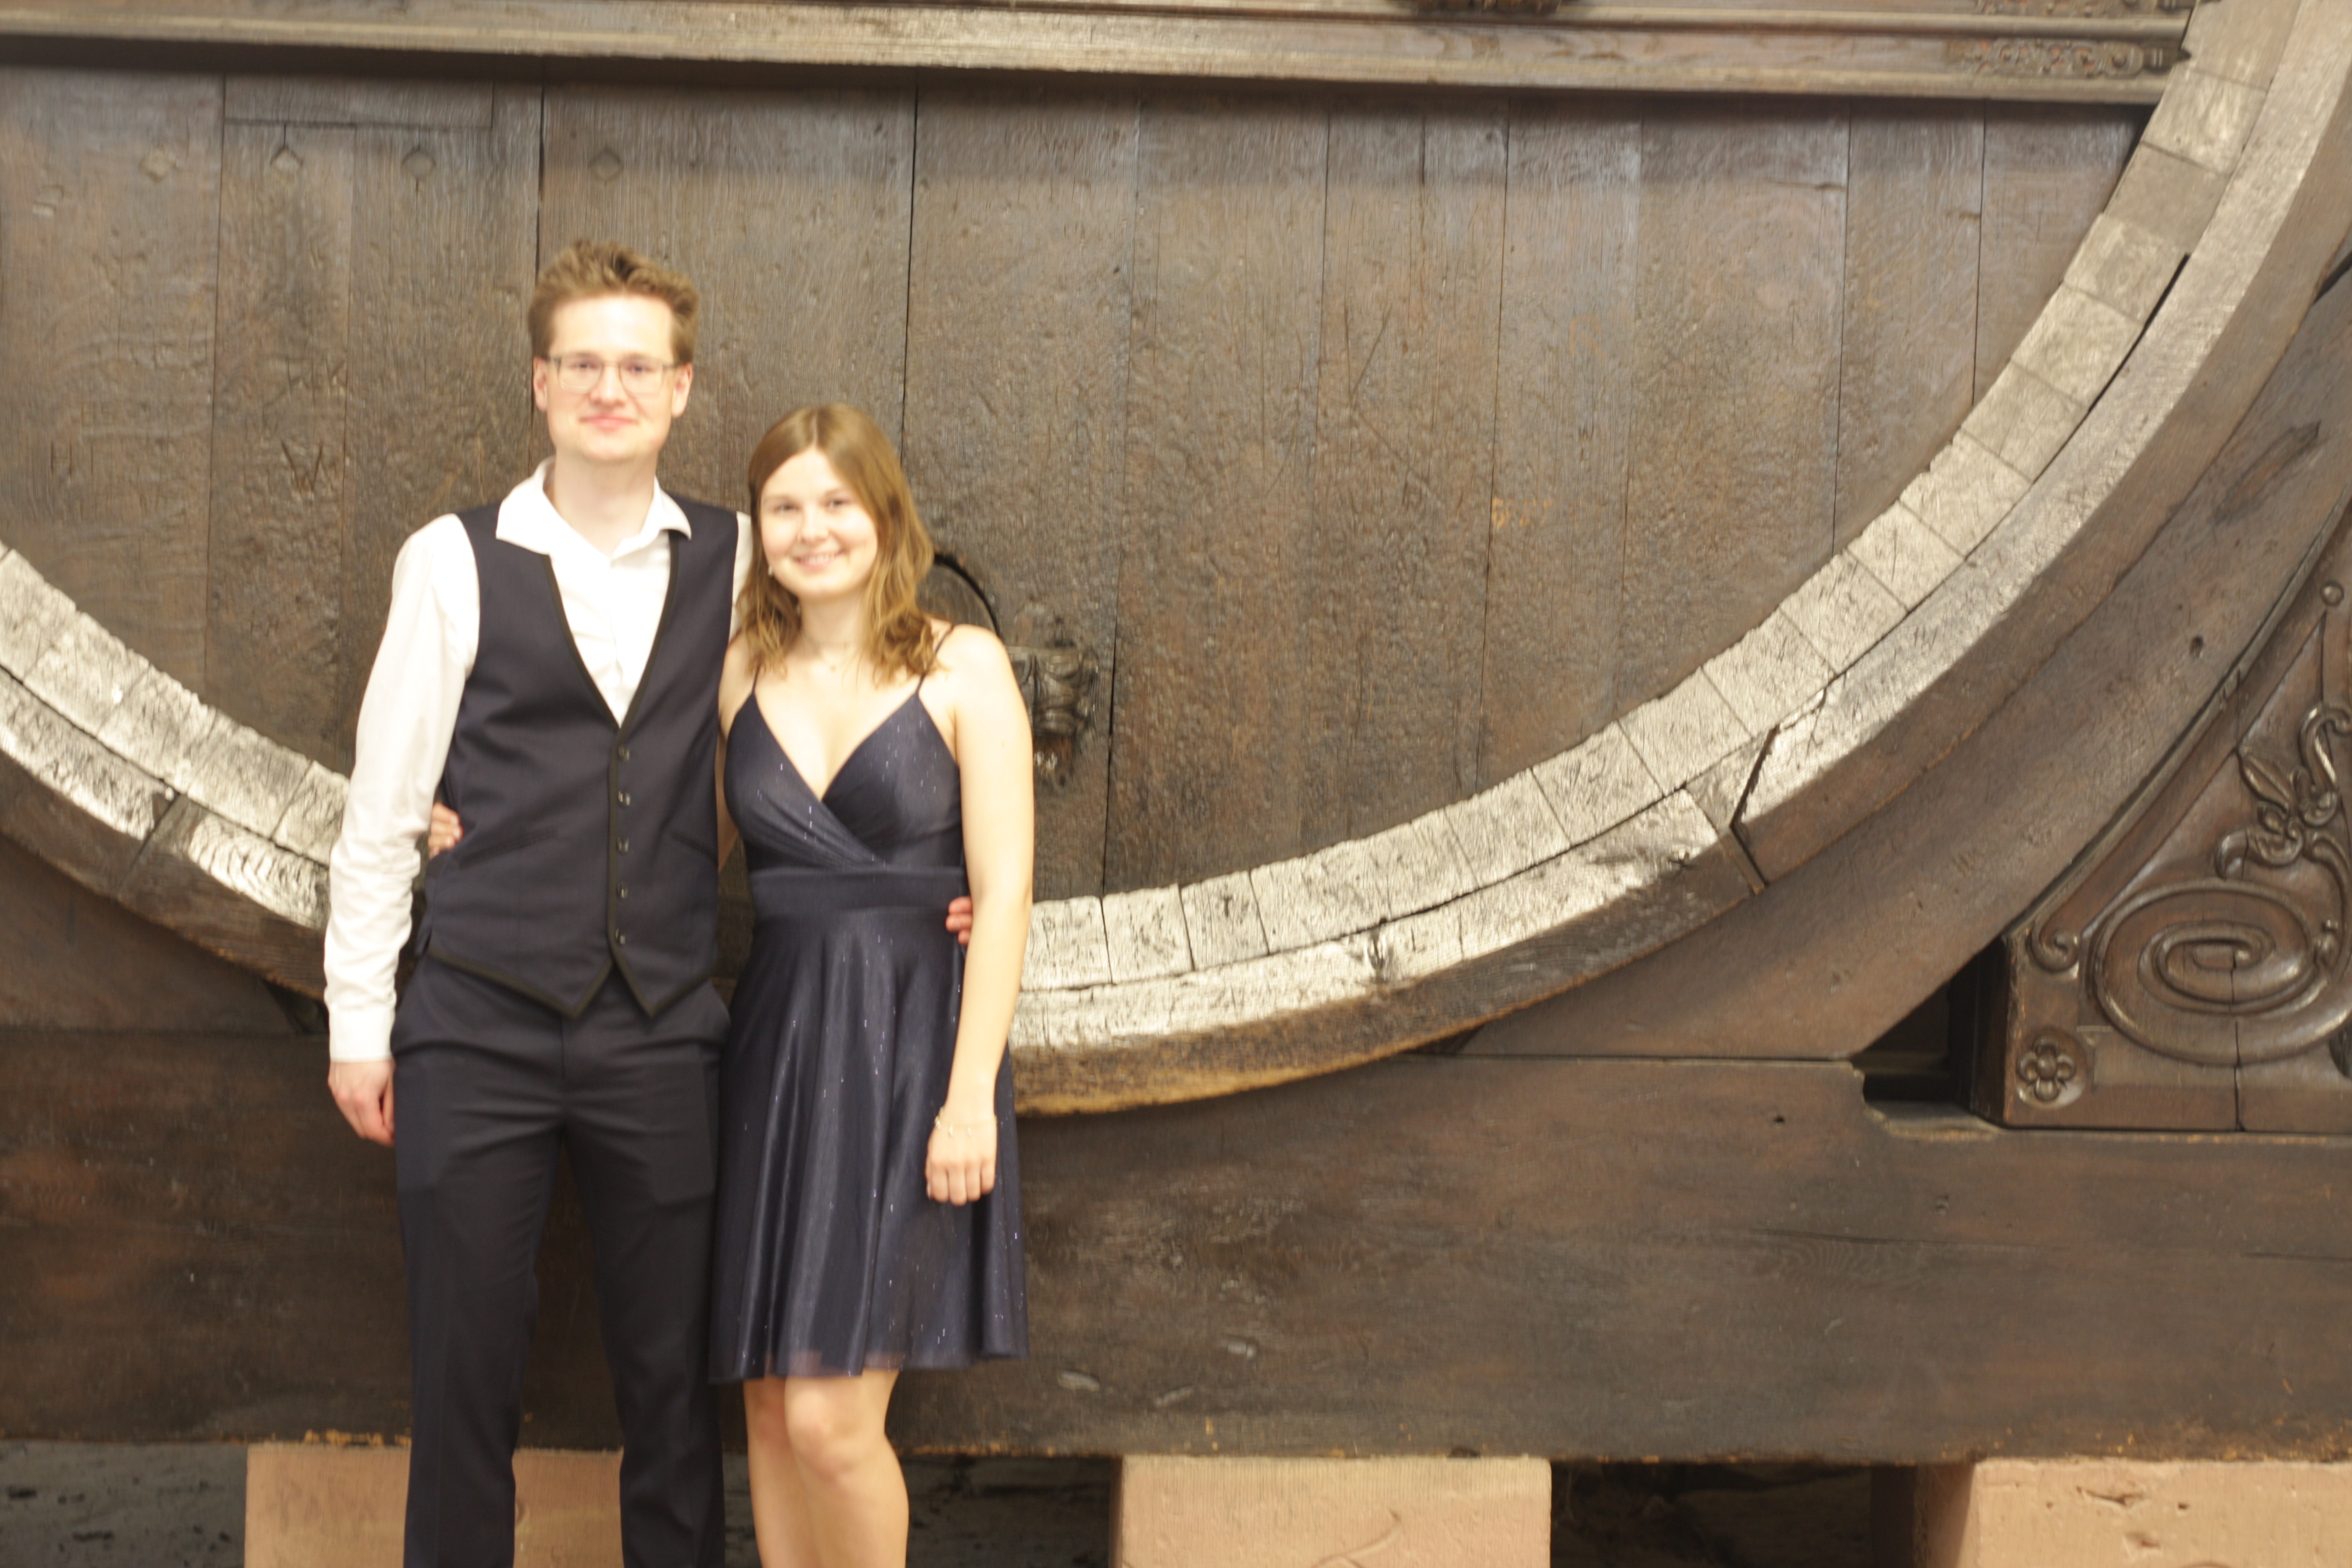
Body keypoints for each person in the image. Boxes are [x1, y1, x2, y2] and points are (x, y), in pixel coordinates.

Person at [322, 243, 972, 1567]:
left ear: (681, 390)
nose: (607, 388)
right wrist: (357, 1023)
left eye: (636, 366)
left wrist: (915, 887)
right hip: (476, 1024)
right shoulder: (451, 561)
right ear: (540, 382)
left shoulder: (741, 562)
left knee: (675, 1392)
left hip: (665, 1032)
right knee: (460, 1382)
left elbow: (834, 712)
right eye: (582, 363)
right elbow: (385, 809)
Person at [711, 404, 1032, 1568]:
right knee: (767, 1406)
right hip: (778, 1052)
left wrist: (968, 1099)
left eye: (837, 502)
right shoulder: (739, 670)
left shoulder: (963, 665)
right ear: (759, 529)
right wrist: (467, 820)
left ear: (886, 516)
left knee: (830, 1422)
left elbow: (1004, 890)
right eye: (785, 507)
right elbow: (670, 857)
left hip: (910, 1056)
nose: (813, 529)